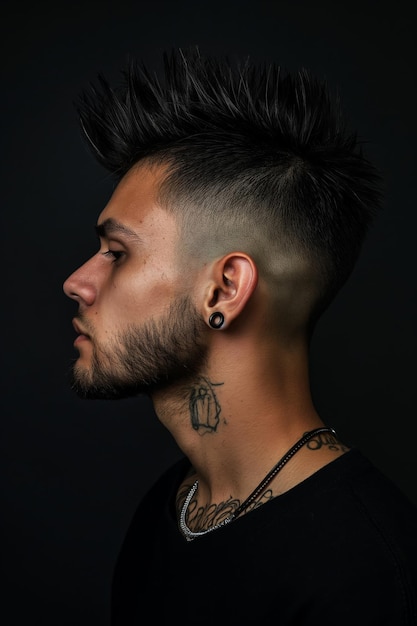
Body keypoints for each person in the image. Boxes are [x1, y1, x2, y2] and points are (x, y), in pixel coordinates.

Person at [63, 47, 417, 624]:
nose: (77, 282)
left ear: (225, 288)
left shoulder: (365, 573)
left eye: (117, 253)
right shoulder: (170, 508)